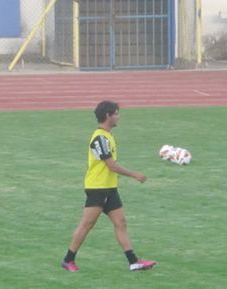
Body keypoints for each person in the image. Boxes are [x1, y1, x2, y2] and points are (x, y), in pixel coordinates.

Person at [61, 100, 156, 272]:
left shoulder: (108, 136)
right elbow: (111, 165)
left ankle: (133, 261)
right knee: (87, 224)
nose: (119, 117)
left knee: (121, 222)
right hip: (98, 188)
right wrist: (134, 174)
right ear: (108, 116)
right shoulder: (99, 138)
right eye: (116, 113)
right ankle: (68, 259)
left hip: (109, 188)